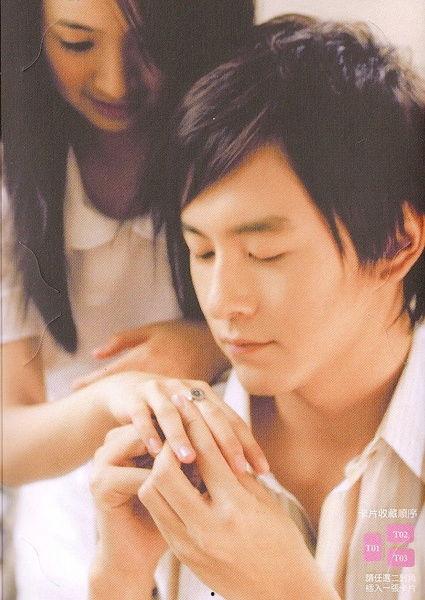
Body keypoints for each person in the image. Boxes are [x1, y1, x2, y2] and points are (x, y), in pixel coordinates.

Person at [88, 16, 425, 600]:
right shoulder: (163, 454)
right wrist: (121, 578)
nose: (220, 302)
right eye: (202, 251)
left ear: (396, 243)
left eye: (266, 253)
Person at [1, 1, 261, 598]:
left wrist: (208, 345)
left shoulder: (246, 140)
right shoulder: (14, 180)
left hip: (235, 503)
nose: (116, 83)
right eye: (77, 43)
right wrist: (120, 397)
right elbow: (9, 436)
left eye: (149, 44)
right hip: (73, 522)